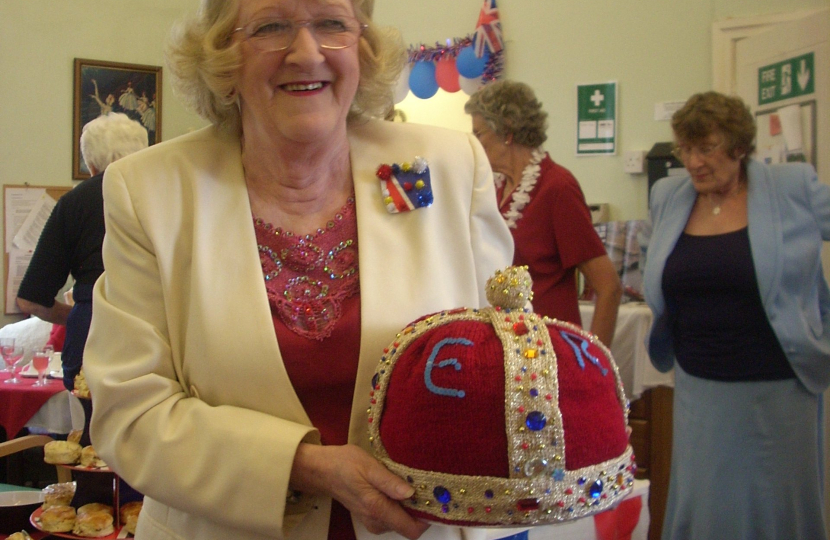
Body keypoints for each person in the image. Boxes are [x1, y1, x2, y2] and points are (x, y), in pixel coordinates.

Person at [82, 1, 513, 539]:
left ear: (363, 47)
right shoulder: (150, 191)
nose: (306, 53)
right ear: (223, 55)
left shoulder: (448, 167)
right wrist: (305, 465)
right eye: (272, 26)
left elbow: (505, 364)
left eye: (332, 24)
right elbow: (132, 415)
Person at [643, 91, 830, 540]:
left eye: (705, 148)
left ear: (739, 146)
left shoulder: (792, 186)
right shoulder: (669, 195)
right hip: (699, 387)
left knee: (777, 508)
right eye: (685, 149)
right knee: (707, 507)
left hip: (778, 388)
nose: (693, 161)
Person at [464, 80, 621, 346]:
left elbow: (609, 286)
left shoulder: (557, 187)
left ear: (506, 132)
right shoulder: (494, 188)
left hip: (550, 348)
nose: (474, 143)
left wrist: (596, 362)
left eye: (478, 134)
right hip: (506, 345)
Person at [16, 112, 148, 390]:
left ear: (90, 164)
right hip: (156, 336)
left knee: (91, 430)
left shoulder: (74, 202)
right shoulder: (168, 192)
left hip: (92, 340)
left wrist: (79, 312)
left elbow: (31, 301)